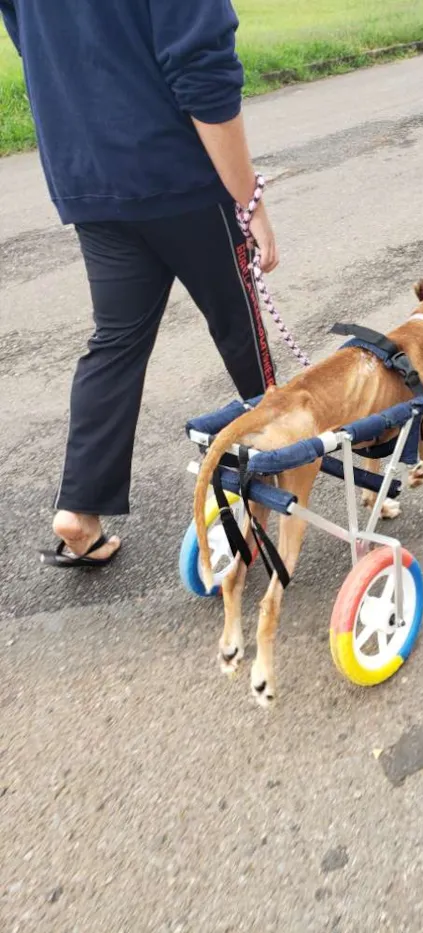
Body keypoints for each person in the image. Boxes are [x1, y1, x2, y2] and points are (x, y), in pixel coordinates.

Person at [0, 0, 278, 568]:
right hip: (180, 176)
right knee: (239, 325)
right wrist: (248, 198)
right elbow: (203, 67)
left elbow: (27, 30)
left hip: (88, 172)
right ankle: (280, 466)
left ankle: (79, 509)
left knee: (116, 341)